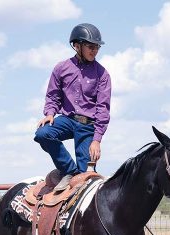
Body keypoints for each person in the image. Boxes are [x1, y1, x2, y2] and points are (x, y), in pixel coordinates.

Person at [34, 23, 112, 191]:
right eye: (90, 46)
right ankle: (69, 171)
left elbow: (103, 109)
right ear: (77, 46)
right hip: (67, 120)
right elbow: (53, 96)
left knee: (86, 180)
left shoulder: (102, 74)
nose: (95, 50)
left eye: (97, 47)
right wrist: (50, 113)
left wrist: (96, 140)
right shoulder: (61, 69)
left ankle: (78, 175)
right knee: (43, 133)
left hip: (88, 126)